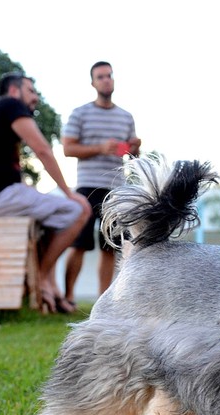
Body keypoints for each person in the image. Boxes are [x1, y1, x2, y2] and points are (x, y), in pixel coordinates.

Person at [0, 72, 91, 314]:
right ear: (15, 91)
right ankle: (42, 278)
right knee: (78, 210)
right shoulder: (10, 105)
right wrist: (68, 192)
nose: (35, 98)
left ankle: (51, 289)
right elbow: (43, 149)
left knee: (52, 220)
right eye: (31, 91)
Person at [61, 61, 140, 302]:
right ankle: (68, 298)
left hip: (116, 189)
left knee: (111, 248)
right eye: (100, 76)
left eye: (109, 75)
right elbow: (67, 148)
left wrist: (135, 149)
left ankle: (103, 300)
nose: (106, 80)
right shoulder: (80, 113)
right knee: (80, 243)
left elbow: (132, 157)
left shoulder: (126, 117)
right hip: (87, 186)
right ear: (93, 83)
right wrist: (99, 148)